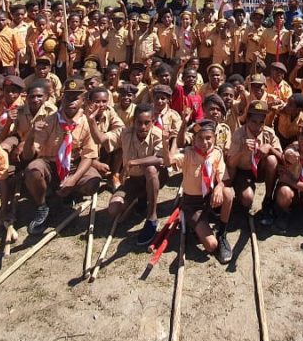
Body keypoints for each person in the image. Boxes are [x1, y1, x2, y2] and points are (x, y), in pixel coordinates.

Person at [21, 78, 101, 235]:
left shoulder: (87, 122)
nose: (71, 101)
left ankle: (70, 194)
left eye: (76, 97)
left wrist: (74, 179)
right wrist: (31, 135)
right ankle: (42, 204)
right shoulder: (49, 121)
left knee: (93, 182)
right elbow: (28, 156)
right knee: (32, 169)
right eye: (68, 96)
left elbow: (88, 156)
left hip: (73, 165)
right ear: (62, 98)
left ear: (83, 99)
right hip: (51, 165)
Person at [163, 118, 234, 263]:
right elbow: (168, 161)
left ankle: (222, 234)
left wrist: (219, 187)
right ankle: (192, 223)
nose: (204, 142)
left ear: (214, 138)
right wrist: (165, 143)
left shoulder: (217, 153)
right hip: (192, 204)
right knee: (211, 246)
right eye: (200, 138)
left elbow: (222, 177)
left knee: (228, 192)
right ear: (194, 139)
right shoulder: (188, 154)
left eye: (208, 138)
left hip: (208, 199)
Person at [109, 103, 166, 245]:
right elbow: (103, 140)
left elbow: (160, 158)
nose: (142, 127)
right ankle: (140, 198)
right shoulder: (125, 133)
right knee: (114, 209)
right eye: (139, 123)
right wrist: (91, 121)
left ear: (153, 122)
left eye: (147, 123)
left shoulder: (157, 134)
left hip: (155, 177)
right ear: (133, 122)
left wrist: (133, 162)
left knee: (150, 169)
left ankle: (152, 216)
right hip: (133, 179)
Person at [227, 99, 283, 223]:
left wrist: (269, 148)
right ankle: (239, 197)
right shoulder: (238, 134)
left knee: (272, 160)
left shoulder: (269, 133)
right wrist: (242, 150)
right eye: (253, 122)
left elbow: (283, 159)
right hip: (244, 171)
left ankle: (268, 199)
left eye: (261, 122)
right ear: (247, 120)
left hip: (261, 169)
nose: (258, 126)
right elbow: (230, 163)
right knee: (247, 199)